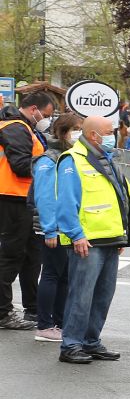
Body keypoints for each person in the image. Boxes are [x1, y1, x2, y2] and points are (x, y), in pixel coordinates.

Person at [53, 116, 130, 364]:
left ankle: (91, 341)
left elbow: (119, 198)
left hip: (110, 239)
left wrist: (122, 234)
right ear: (93, 135)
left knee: (103, 295)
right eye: (109, 132)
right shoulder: (72, 161)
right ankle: (71, 345)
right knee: (81, 295)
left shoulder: (106, 160)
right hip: (87, 241)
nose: (114, 136)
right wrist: (76, 234)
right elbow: (66, 202)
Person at [0, 89, 56, 330]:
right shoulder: (15, 127)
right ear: (34, 109)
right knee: (11, 256)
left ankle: (33, 310)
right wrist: (48, 164)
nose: (47, 119)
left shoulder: (25, 128)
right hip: (13, 197)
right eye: (46, 114)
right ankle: (2, 313)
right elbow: (22, 165)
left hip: (24, 198)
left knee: (32, 256)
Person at [32, 112, 81, 342]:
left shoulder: (66, 156)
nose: (78, 133)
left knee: (63, 276)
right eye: (76, 128)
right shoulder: (49, 159)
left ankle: (59, 324)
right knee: (52, 274)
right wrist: (50, 229)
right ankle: (45, 325)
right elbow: (45, 196)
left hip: (63, 227)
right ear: (65, 132)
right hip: (52, 228)